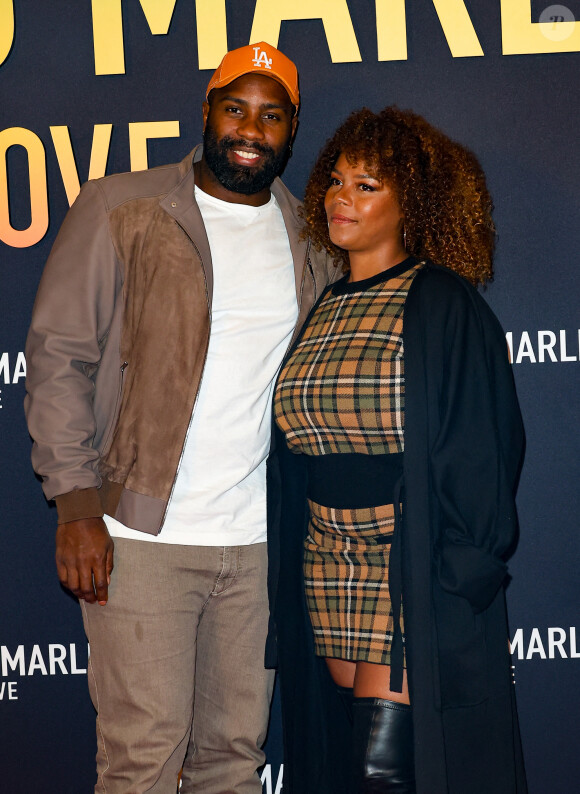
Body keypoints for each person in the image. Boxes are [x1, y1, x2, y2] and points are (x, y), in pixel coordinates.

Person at [25, 42, 335, 794]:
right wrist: (76, 506)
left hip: (258, 548)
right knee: (141, 763)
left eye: (271, 116)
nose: (250, 130)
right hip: (140, 540)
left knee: (233, 762)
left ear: (292, 130)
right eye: (236, 108)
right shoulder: (121, 207)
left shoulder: (310, 239)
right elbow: (61, 356)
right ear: (206, 109)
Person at [268, 107, 527, 793]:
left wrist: (454, 573)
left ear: (409, 201)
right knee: (351, 760)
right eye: (337, 181)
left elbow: (485, 445)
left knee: (387, 768)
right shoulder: (323, 306)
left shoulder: (441, 301)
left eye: (367, 186)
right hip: (326, 559)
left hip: (406, 563)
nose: (340, 198)